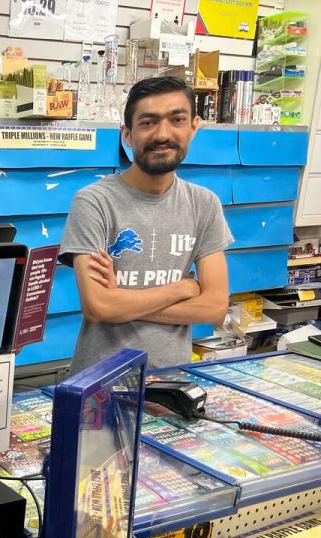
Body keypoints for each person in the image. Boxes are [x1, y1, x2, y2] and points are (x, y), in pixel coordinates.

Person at [59, 77, 232, 373]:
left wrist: (123, 304)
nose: (163, 134)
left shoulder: (205, 204)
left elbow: (215, 307)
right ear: (127, 134)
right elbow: (99, 307)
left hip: (173, 381)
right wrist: (184, 287)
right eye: (148, 123)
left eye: (177, 120)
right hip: (99, 384)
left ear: (193, 126)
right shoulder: (93, 202)